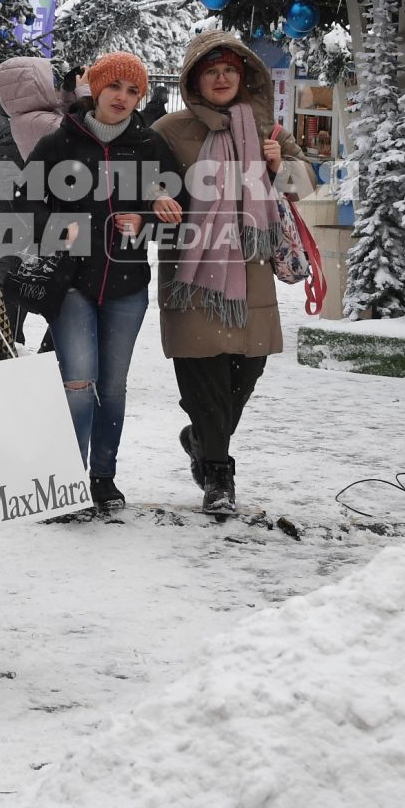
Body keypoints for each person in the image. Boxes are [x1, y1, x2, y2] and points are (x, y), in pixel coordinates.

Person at [20, 51, 183, 511]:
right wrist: (58, 227)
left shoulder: (149, 145)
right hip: (70, 284)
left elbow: (179, 205)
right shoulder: (60, 142)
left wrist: (150, 218)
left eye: (134, 91)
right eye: (115, 87)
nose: (123, 98)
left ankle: (102, 476)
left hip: (127, 286)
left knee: (112, 386)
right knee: (77, 381)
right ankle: (68, 479)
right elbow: (25, 200)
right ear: (95, 87)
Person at [153, 32, 286, 515]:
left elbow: (304, 181)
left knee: (245, 373)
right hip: (193, 270)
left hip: (250, 272)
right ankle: (219, 476)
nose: (223, 77)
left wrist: (280, 167)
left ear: (244, 74)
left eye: (229, 69)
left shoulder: (267, 126)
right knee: (203, 379)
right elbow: (143, 174)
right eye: (211, 71)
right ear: (195, 80)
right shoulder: (170, 128)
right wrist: (154, 196)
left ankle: (201, 438)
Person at [0, 55, 70, 340]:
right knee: (24, 297)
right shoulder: (29, 126)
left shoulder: (5, 120)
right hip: (23, 232)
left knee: (5, 291)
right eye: (50, 82)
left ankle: (0, 341)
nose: (54, 88)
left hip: (4, 226)